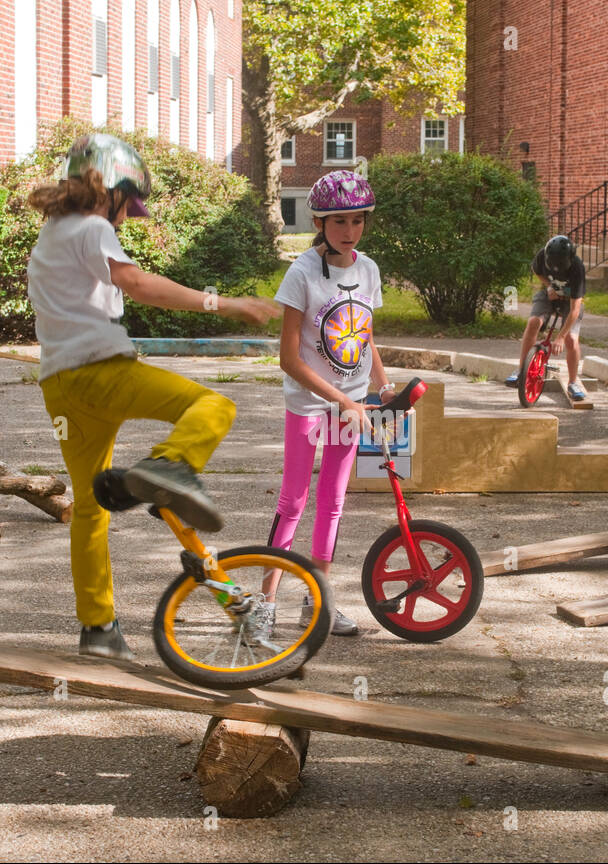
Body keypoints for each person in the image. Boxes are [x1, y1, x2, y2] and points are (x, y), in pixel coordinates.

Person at [28, 133, 277, 660]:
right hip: (102, 372)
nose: (124, 219)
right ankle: (170, 464)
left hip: (60, 389)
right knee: (214, 405)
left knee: (93, 509)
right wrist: (226, 304)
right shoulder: (93, 227)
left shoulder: (50, 234)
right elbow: (138, 284)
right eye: (126, 204)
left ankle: (98, 629)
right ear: (111, 188)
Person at [253, 170, 393, 639]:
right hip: (310, 406)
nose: (349, 231)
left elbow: (362, 334)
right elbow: (288, 358)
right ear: (319, 221)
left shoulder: (368, 269)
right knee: (293, 502)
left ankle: (318, 602)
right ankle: (265, 602)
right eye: (339, 221)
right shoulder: (302, 273)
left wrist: (383, 385)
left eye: (357, 221)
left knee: (332, 503)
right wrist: (339, 400)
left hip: (350, 406)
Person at [505, 234, 586, 402]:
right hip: (550, 295)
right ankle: (521, 369)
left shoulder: (577, 268)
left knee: (571, 339)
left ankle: (573, 382)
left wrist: (560, 338)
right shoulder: (542, 255)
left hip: (570, 303)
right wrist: (549, 286)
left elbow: (575, 310)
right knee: (533, 322)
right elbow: (536, 270)